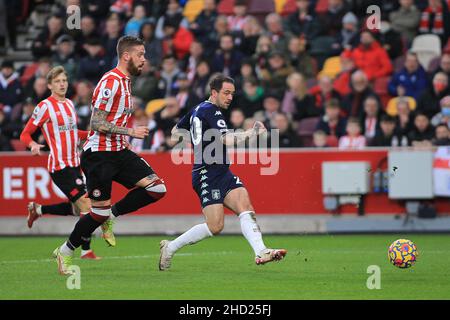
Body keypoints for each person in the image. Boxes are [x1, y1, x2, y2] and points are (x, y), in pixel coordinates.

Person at [53, 36, 167, 275]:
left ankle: (111, 216)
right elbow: (96, 122)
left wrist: (124, 136)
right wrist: (130, 131)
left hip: (119, 151)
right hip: (99, 156)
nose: (144, 60)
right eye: (141, 55)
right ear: (126, 56)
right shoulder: (111, 81)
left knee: (157, 188)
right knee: (97, 212)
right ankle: (64, 252)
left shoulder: (126, 82)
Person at [159, 74, 287, 271]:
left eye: (232, 94)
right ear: (214, 93)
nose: (229, 97)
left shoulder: (197, 109)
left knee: (245, 207)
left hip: (222, 171)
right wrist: (252, 133)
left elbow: (176, 131)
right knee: (215, 226)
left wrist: (197, 139)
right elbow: (226, 139)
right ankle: (170, 247)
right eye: (226, 93)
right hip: (206, 173)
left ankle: (261, 251)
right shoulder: (212, 111)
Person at [19, 66, 108, 260]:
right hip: (60, 166)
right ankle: (84, 251)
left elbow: (72, 134)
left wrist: (94, 134)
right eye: (58, 81)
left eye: (64, 81)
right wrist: (33, 144)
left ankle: (39, 209)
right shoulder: (44, 106)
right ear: (50, 85)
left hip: (75, 163)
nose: (62, 84)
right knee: (87, 205)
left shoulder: (68, 103)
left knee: (78, 209)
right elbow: (25, 134)